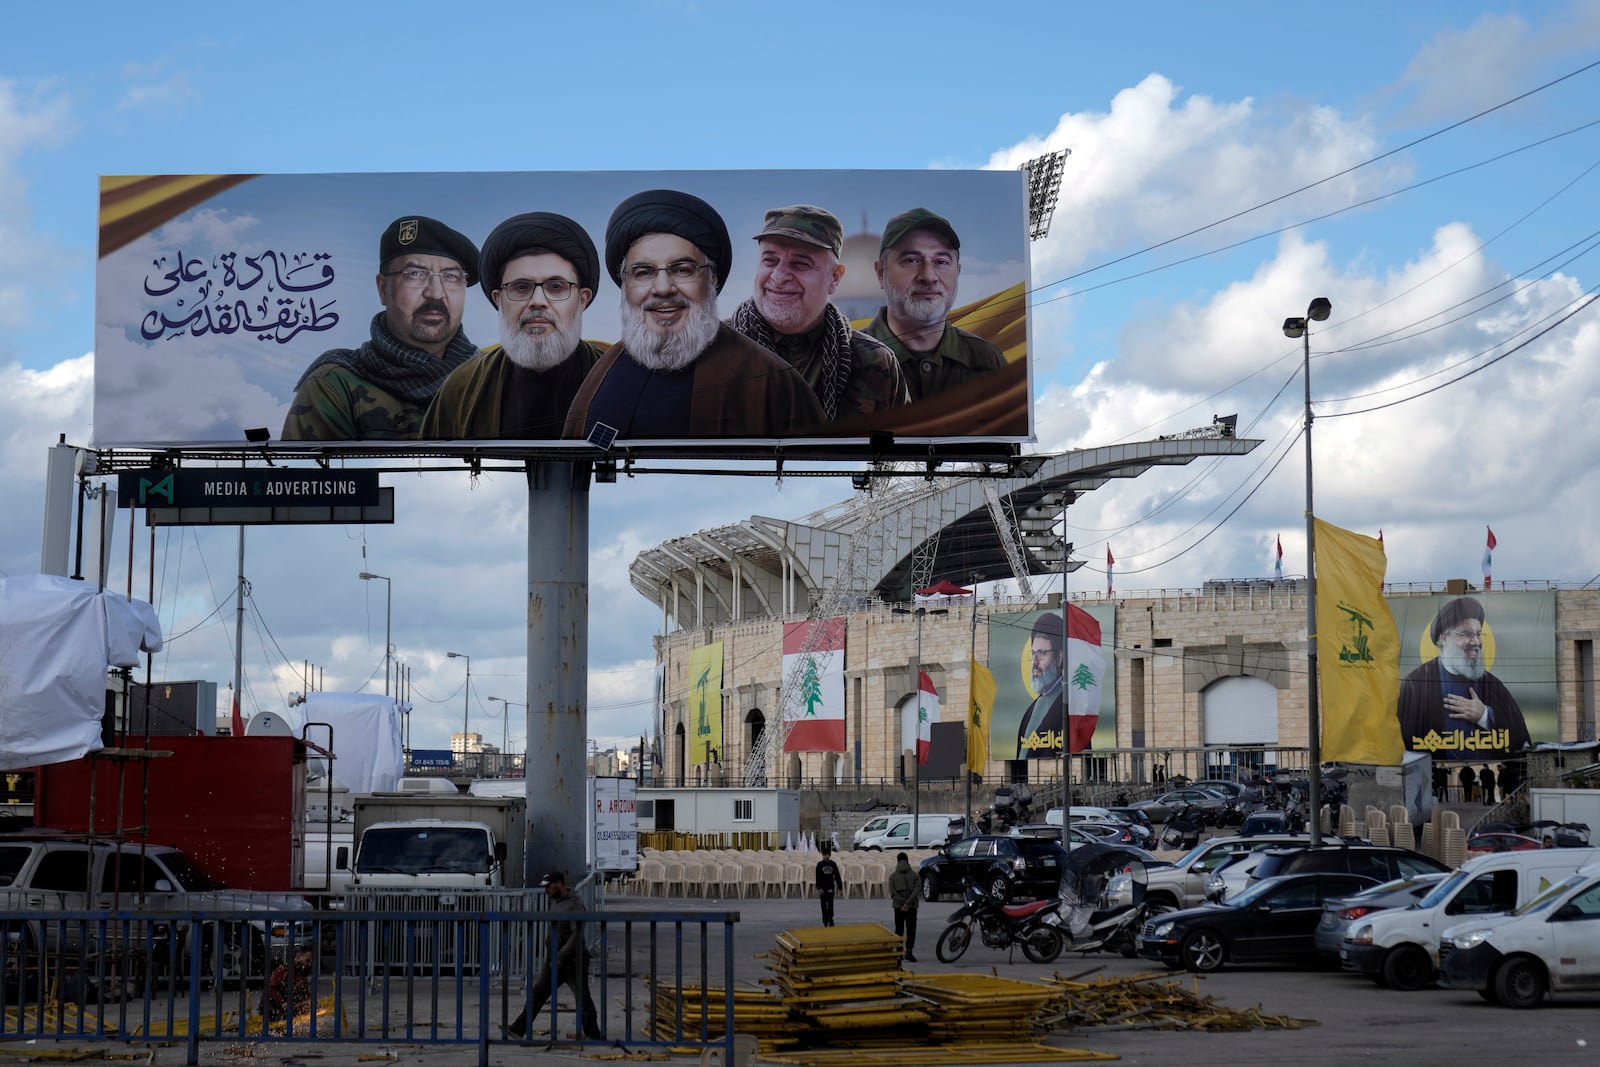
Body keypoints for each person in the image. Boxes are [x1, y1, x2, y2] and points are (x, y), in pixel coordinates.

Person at [563, 189, 824, 440]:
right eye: (643, 273)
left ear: (712, 279)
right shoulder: (604, 372)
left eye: (683, 270)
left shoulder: (773, 383)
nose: (663, 288)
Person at [283, 216, 480, 440]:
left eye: (451, 276)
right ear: (383, 288)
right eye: (414, 274)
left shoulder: (490, 380)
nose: (435, 292)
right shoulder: (335, 386)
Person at [421, 212, 606, 440]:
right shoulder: (461, 389)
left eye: (556, 287)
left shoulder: (616, 382)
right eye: (521, 287)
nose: (538, 301)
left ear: (582, 299)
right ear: (499, 300)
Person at [727, 204, 909, 420]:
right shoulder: (712, 349)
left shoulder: (875, 362)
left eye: (800, 264)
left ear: (834, 278)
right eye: (770, 260)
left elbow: (904, 449)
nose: (779, 276)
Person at [865, 207, 1007, 402]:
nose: (928, 276)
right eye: (911, 260)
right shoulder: (842, 362)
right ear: (881, 273)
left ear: (957, 272)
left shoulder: (988, 361)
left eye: (941, 261)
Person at [1398, 597, 1533, 759]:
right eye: (1466, 634)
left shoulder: (1493, 685)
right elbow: (1399, 740)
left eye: (1478, 634)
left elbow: (1521, 740)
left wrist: (1484, 715)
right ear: (1444, 638)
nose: (1475, 642)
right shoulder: (1415, 684)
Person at [507, 870, 602, 1041]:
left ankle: (593, 1034)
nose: (546, 891)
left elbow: (577, 935)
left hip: (573, 960)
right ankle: (518, 1028)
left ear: (559, 884)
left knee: (582, 997)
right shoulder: (555, 901)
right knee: (538, 992)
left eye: (548, 886)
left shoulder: (575, 905)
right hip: (554, 960)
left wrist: (561, 955)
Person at [1016, 613, 1066, 760]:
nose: (1034, 662)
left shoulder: (1070, 706)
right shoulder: (1030, 711)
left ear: (1059, 657)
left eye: (1041, 653)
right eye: (1033, 654)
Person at [260, 947, 315, 1025]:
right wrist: (282, 1002)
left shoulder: (301, 973)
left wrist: (309, 1000)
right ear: (298, 956)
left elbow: (304, 989)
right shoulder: (283, 970)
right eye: (307, 961)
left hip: (287, 1006)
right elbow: (270, 989)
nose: (309, 964)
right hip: (273, 1007)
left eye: (310, 962)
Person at [887, 852, 919, 963]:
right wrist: (908, 903)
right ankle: (909, 952)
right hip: (912, 906)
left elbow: (893, 893)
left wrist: (902, 903)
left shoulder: (892, 877)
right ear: (907, 861)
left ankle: (899, 952)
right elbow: (917, 890)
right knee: (911, 929)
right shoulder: (915, 875)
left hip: (898, 907)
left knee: (899, 929)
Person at [814, 842, 842, 927]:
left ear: (829, 855)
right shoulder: (819, 865)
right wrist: (818, 888)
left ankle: (831, 919)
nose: (824, 856)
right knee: (823, 906)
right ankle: (825, 920)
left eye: (826, 855)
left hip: (830, 887)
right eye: (823, 855)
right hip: (822, 888)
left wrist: (840, 887)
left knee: (830, 905)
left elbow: (837, 875)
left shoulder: (833, 864)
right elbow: (817, 877)